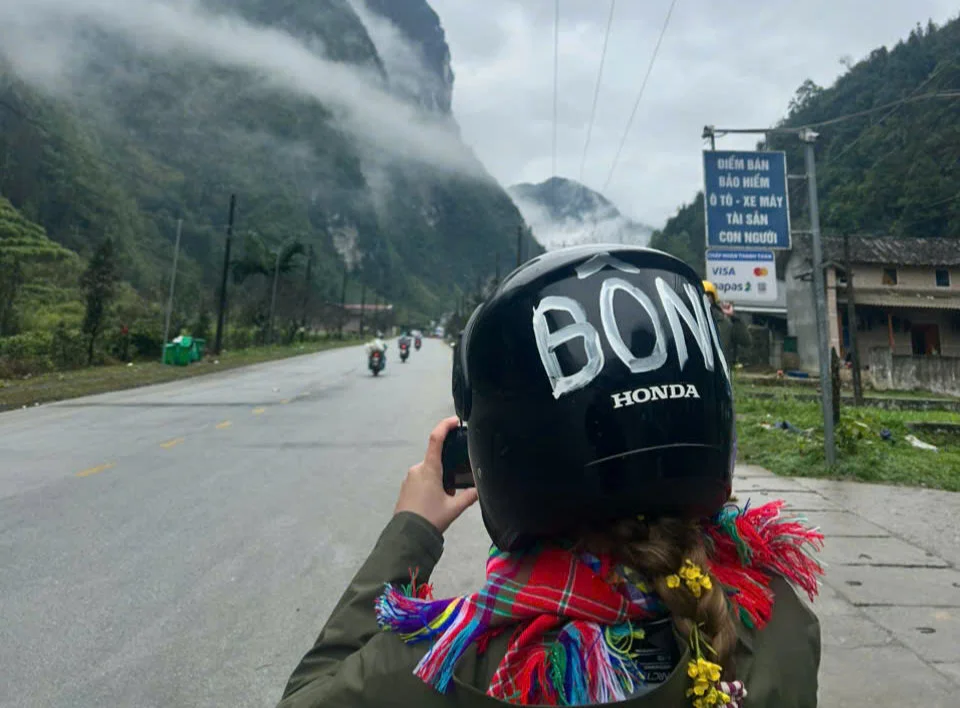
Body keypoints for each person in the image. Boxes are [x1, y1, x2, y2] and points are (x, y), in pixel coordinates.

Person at [279, 246, 823, 708]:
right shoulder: (778, 623)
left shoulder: (443, 666)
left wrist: (412, 528)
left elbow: (309, 694)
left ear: (501, 453)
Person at [703, 281, 751, 367]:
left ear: (713, 298)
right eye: (701, 295)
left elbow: (746, 341)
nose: (704, 298)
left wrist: (734, 318)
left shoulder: (725, 322)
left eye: (707, 295)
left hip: (721, 370)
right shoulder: (687, 320)